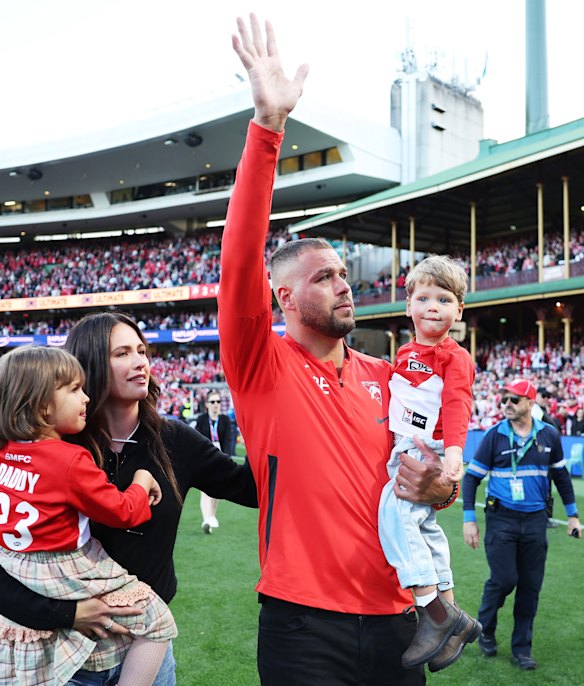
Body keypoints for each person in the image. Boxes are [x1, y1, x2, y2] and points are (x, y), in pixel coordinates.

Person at [218, 15, 457, 686]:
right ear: (284, 299)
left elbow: (430, 482)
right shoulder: (260, 364)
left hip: (396, 621)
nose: (344, 285)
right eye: (323, 277)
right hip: (301, 625)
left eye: (345, 274)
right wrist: (267, 128)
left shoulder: (392, 376)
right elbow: (238, 261)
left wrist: (442, 487)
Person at [0, 312, 258, 686]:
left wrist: (261, 413)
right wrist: (66, 613)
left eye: (141, 350)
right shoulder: (53, 446)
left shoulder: (175, 440)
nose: (140, 361)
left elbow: (250, 489)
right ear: (86, 367)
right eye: (122, 353)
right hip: (62, 655)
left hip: (145, 651)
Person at [0, 345, 176, 686]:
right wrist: (141, 482)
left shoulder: (5, 454)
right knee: (155, 621)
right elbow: (123, 512)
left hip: (15, 564)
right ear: (41, 405)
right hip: (64, 565)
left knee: (37, 646)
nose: (86, 399)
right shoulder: (69, 460)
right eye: (74, 390)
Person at [378, 255, 481, 673]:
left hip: (427, 446)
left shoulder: (454, 356)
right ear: (408, 306)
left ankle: (431, 609)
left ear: (459, 310)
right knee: (425, 525)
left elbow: (459, 404)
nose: (433, 306)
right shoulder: (404, 352)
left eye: (444, 298)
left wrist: (454, 452)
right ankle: (453, 612)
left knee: (395, 512)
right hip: (405, 441)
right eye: (424, 297)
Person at [462, 378, 582, 671]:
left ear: (531, 403)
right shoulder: (494, 436)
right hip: (501, 519)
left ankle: (522, 648)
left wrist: (573, 515)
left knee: (530, 587)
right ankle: (485, 630)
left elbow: (562, 478)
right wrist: (469, 519)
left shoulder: (550, 436)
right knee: (504, 580)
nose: (507, 405)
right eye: (504, 400)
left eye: (514, 400)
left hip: (536, 521)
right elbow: (471, 478)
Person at [195, 389, 232, 533]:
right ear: (207, 405)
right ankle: (207, 519)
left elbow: (228, 441)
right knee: (205, 490)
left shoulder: (225, 420)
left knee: (217, 490)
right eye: (213, 402)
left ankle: (211, 518)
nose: (216, 404)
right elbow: (196, 439)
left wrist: (226, 460)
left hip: (220, 458)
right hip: (204, 458)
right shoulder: (202, 420)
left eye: (218, 402)